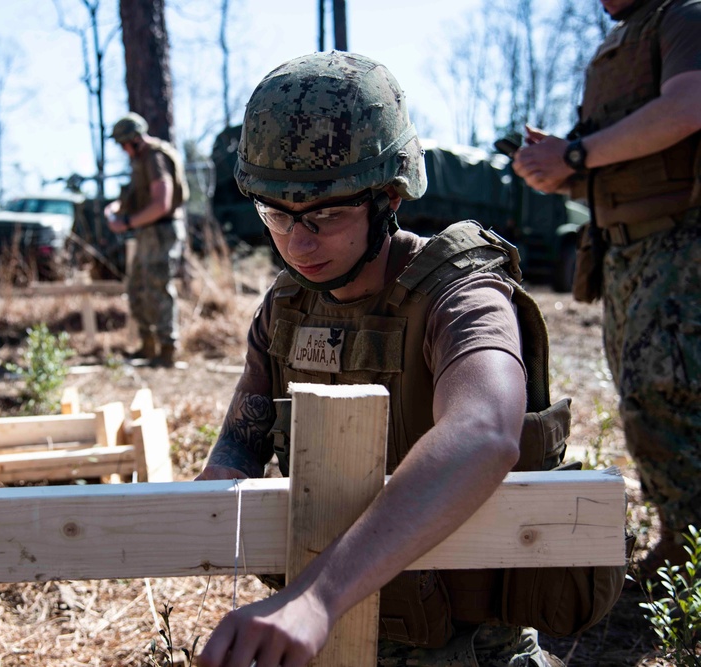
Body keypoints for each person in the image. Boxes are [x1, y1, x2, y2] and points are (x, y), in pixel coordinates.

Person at [195, 51, 581, 667]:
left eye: (326, 213)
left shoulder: (461, 294)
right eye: (277, 214)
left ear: (390, 196)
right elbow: (238, 447)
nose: (299, 241)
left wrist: (315, 598)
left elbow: (483, 433)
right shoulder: (287, 307)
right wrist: (209, 504)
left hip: (464, 648)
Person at [512, 0, 701, 578]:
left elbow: (689, 105)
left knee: (665, 389)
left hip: (679, 246)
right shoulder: (622, 43)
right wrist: (562, 168)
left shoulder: (683, 18)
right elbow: (630, 151)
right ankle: (683, 538)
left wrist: (574, 153)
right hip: (627, 250)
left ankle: (690, 551)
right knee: (643, 394)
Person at [105, 112, 188, 368]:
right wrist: (117, 208)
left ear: (133, 139)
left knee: (157, 286)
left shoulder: (154, 156)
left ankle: (167, 348)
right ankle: (148, 344)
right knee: (137, 288)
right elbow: (138, 196)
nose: (123, 149)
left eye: (123, 144)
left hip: (162, 231)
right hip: (148, 232)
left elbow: (161, 203)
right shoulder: (141, 159)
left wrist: (127, 223)